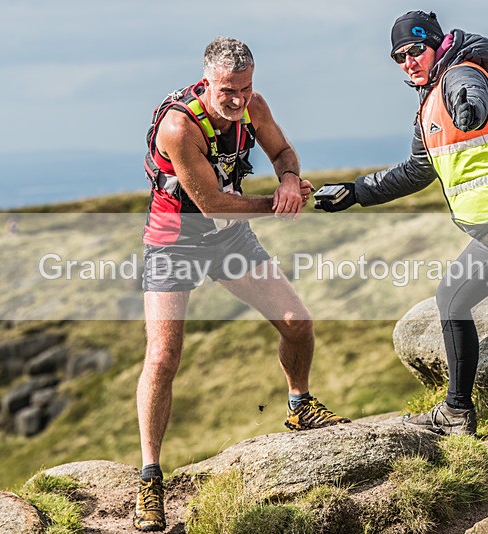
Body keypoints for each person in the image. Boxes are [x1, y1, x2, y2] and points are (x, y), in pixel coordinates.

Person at [315, 11, 488, 488]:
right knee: (452, 298)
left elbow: (470, 95)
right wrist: (355, 192)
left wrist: (469, 108)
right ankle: (457, 410)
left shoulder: (461, 73)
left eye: (414, 51)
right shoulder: (427, 106)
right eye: (398, 57)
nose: (407, 62)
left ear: (435, 45)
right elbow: (416, 171)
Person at [135, 36, 350, 531]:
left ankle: (299, 406)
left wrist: (290, 180)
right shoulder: (178, 126)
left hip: (230, 241)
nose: (237, 100)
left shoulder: (253, 105)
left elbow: (282, 150)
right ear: (206, 80)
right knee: (163, 357)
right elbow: (211, 204)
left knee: (298, 323)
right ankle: (150, 477)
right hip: (175, 242)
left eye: (245, 87)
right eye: (227, 90)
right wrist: (277, 205)